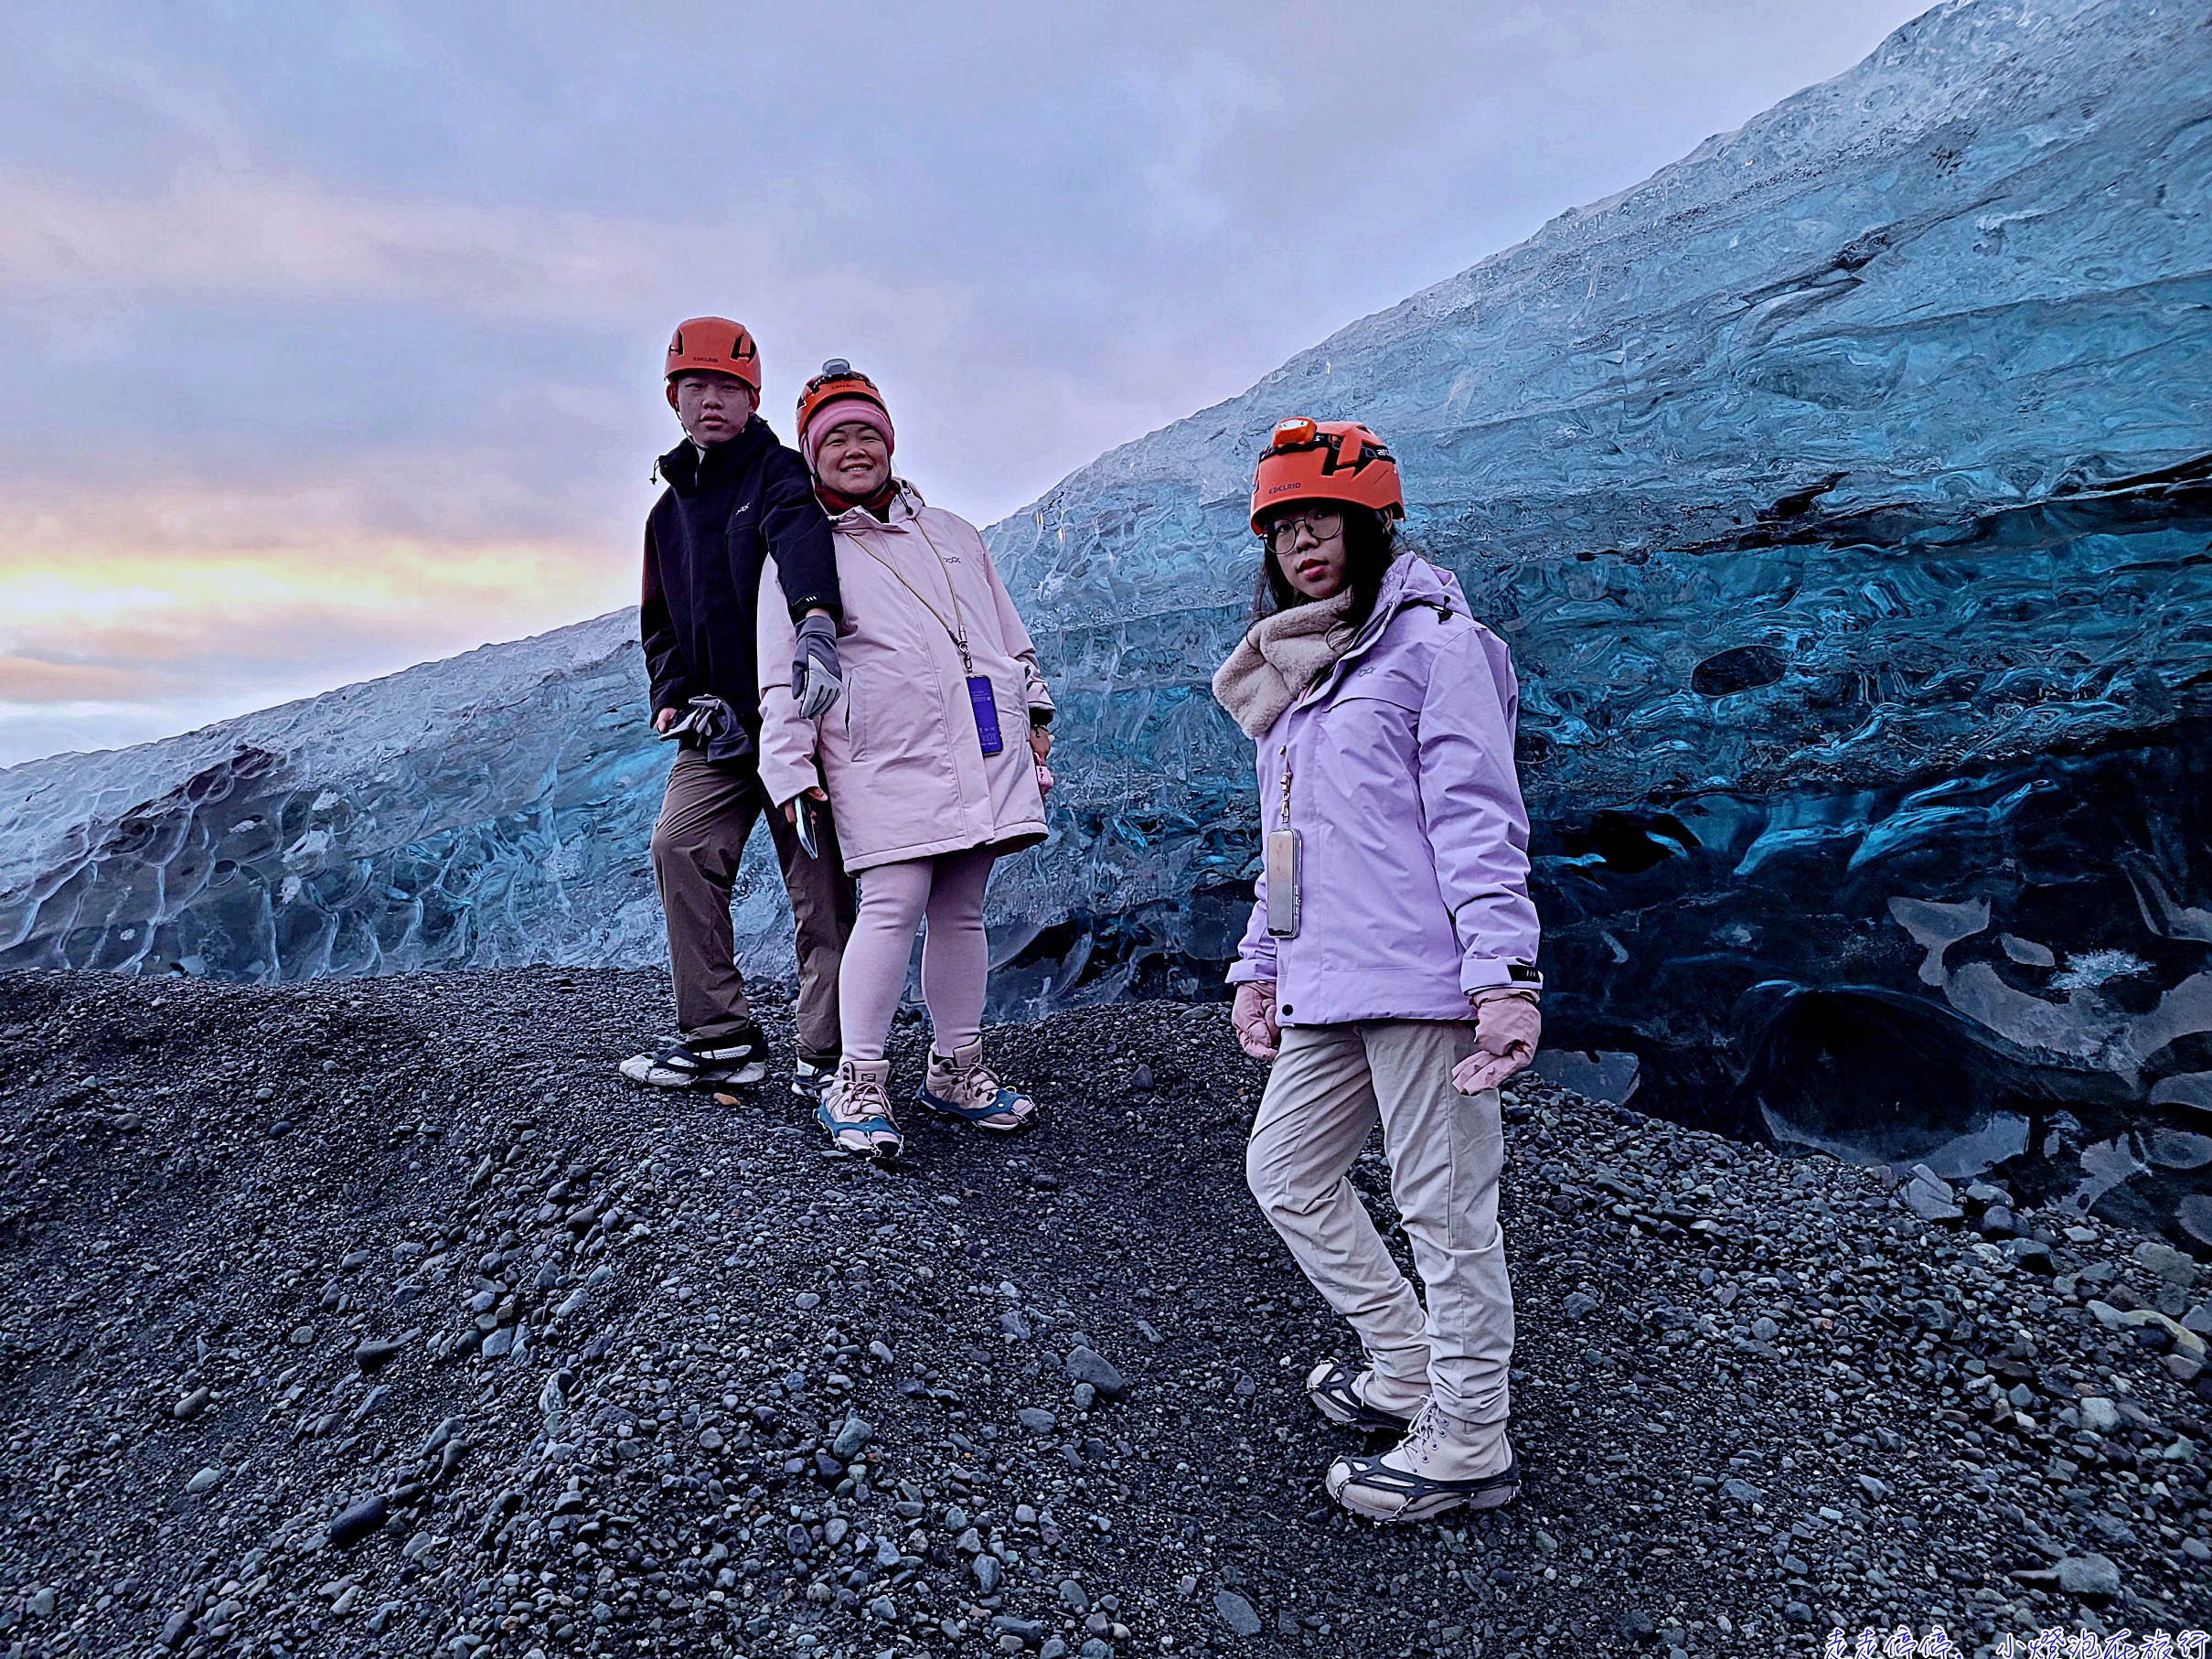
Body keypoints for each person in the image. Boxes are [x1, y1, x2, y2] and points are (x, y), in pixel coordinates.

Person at [1213, 417, 1544, 1522]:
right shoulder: (1300, 678)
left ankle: (1469, 1439)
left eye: (1322, 519)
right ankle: (1404, 1364)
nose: (1304, 541)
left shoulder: (1438, 645)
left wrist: (1503, 975)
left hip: (1425, 980)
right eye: (1284, 526)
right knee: (1287, 1173)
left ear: (1369, 522)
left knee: (1444, 1210)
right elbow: (1286, 847)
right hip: (1327, 981)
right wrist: (1259, 963)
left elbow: (1478, 817)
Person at [756, 361, 1054, 1160]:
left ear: (889, 441)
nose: (855, 450)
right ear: (811, 455)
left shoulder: (956, 533)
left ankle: (955, 1067)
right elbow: (779, 674)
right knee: (892, 903)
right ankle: (857, 1079)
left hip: (979, 741)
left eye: (867, 434)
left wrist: (1034, 710)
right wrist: (791, 772)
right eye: (836, 439)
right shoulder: (801, 547)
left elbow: (1009, 638)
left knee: (961, 908)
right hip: (880, 752)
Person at [622, 317, 860, 1102]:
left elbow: (801, 544)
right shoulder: (666, 515)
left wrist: (817, 621)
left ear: (751, 396)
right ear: (673, 398)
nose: (712, 401)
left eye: (729, 386)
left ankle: (828, 1053)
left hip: (800, 721)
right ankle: (721, 1039)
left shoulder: (779, 476)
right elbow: (659, 624)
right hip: (716, 730)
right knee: (679, 849)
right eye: (697, 386)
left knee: (820, 887)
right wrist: (670, 700)